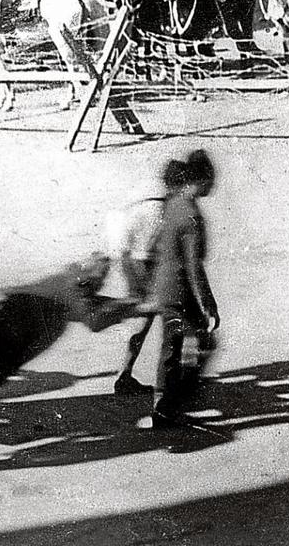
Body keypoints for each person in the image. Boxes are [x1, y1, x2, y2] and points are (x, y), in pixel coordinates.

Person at [151, 150, 220, 427]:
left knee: (172, 345)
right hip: (180, 289)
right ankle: (172, 402)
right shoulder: (191, 215)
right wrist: (209, 304)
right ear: (200, 179)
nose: (213, 185)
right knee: (201, 339)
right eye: (211, 179)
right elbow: (194, 267)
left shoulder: (173, 203)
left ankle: (167, 403)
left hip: (163, 283)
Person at [108, 158, 187, 396]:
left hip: (126, 252)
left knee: (146, 318)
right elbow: (146, 251)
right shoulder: (160, 209)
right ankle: (129, 376)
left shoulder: (149, 191)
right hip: (137, 260)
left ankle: (126, 374)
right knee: (153, 316)